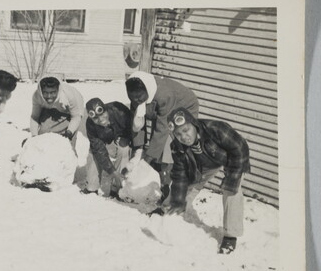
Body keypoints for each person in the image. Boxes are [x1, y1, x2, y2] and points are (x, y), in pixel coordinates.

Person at [162, 108, 251, 254]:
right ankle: (169, 209)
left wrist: (232, 178)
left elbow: (240, 147)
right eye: (178, 134)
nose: (184, 137)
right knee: (188, 185)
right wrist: (177, 201)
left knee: (231, 190)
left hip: (233, 158)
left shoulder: (215, 129)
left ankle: (231, 235)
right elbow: (180, 175)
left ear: (194, 124)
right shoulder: (177, 147)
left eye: (186, 130)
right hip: (205, 163)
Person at [125, 71, 199, 203]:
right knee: (155, 148)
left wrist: (147, 160)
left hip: (183, 109)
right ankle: (162, 174)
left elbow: (162, 129)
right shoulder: (137, 97)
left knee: (166, 147)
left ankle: (168, 185)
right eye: (132, 98)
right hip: (159, 110)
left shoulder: (164, 95)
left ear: (147, 90)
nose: (136, 101)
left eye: (139, 97)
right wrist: (138, 149)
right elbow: (137, 124)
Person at [81, 98, 132, 198]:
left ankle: (116, 187)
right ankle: (92, 187)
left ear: (106, 110)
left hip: (120, 137)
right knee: (93, 152)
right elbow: (98, 149)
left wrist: (126, 138)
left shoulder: (119, 111)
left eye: (102, 114)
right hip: (104, 140)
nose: (100, 120)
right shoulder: (90, 124)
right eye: (95, 118)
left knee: (124, 148)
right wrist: (111, 171)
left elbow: (132, 128)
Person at [29, 76, 84, 146]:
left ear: (58, 90)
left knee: (68, 145)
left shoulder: (69, 96)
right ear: (40, 91)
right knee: (43, 134)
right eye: (45, 92)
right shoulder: (37, 96)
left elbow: (76, 117)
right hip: (50, 108)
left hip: (69, 111)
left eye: (53, 92)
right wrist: (34, 136)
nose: (49, 96)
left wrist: (69, 132)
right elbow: (34, 117)